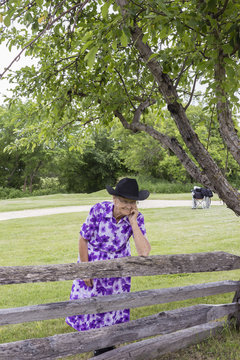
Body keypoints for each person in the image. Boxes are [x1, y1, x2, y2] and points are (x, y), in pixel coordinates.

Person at [65, 177, 151, 356]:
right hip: (93, 263)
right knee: (90, 308)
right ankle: (94, 344)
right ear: (114, 199)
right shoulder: (98, 210)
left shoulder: (136, 217)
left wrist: (133, 222)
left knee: (113, 310)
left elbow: (144, 252)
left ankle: (106, 348)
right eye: (124, 202)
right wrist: (85, 271)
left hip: (118, 271)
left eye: (132, 202)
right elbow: (83, 238)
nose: (128, 206)